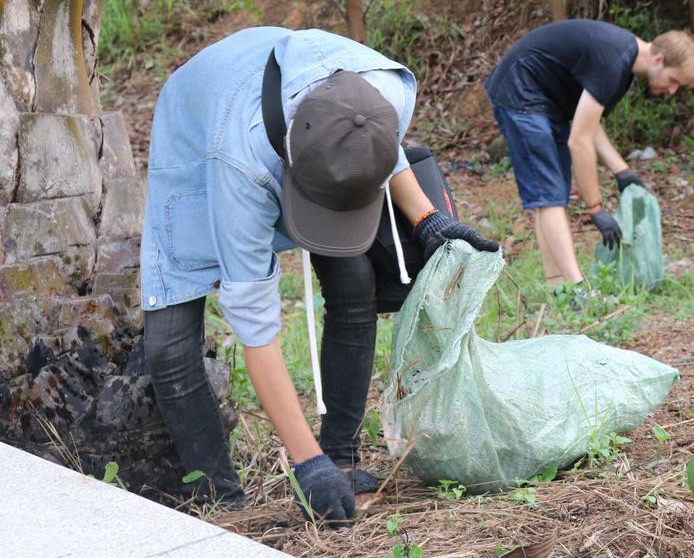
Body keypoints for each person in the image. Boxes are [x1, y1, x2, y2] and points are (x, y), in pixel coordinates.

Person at [139, 26, 498, 525]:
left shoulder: (385, 88)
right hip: (200, 129)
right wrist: (305, 463)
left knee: (354, 281)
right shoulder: (237, 166)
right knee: (170, 339)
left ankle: (343, 461)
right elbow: (256, 330)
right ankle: (220, 503)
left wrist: (426, 216)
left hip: (293, 104)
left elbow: (378, 140)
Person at [484, 19, 694, 288]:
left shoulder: (624, 64)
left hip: (547, 102)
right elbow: (579, 141)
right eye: (673, 81)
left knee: (552, 197)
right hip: (521, 91)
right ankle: (577, 289)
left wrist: (623, 172)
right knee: (549, 195)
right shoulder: (614, 60)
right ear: (658, 59)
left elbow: (590, 123)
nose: (672, 91)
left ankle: (558, 287)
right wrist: (595, 208)